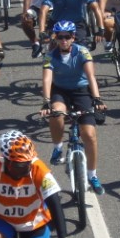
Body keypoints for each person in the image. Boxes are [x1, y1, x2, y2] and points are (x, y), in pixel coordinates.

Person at [40, 20, 107, 195]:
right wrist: (46, 101)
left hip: (81, 91)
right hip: (60, 90)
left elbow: (91, 76)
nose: (63, 40)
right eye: (60, 37)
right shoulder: (51, 56)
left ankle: (92, 175)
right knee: (57, 113)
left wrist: (97, 99)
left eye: (67, 37)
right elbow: (47, 79)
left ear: (73, 37)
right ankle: (57, 148)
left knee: (89, 135)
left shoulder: (82, 52)